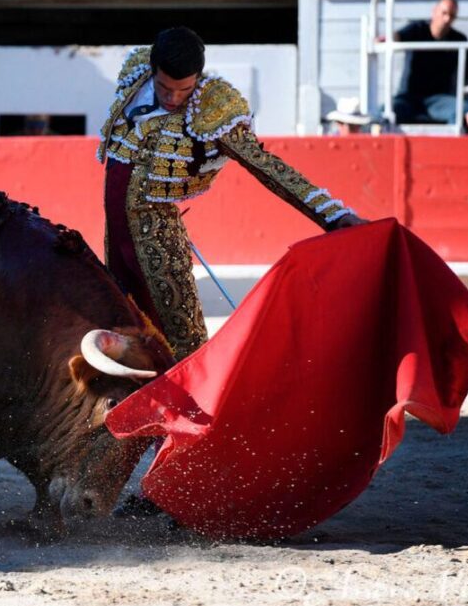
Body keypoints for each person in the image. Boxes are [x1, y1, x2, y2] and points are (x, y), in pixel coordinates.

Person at [98, 27, 365, 363]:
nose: (173, 98)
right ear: (153, 72)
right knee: (126, 324)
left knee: (183, 337)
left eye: (185, 89)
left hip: (158, 235)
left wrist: (334, 214)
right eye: (165, 88)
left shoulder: (213, 108)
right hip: (116, 231)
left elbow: (266, 166)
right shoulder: (135, 73)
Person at [391, 0, 468, 124]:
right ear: (434, 11)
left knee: (461, 111)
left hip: (439, 100)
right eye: (444, 13)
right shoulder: (417, 29)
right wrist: (384, 38)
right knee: (389, 111)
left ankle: (454, 144)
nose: (447, 19)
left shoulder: (459, 39)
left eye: (452, 16)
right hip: (409, 97)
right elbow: (396, 37)